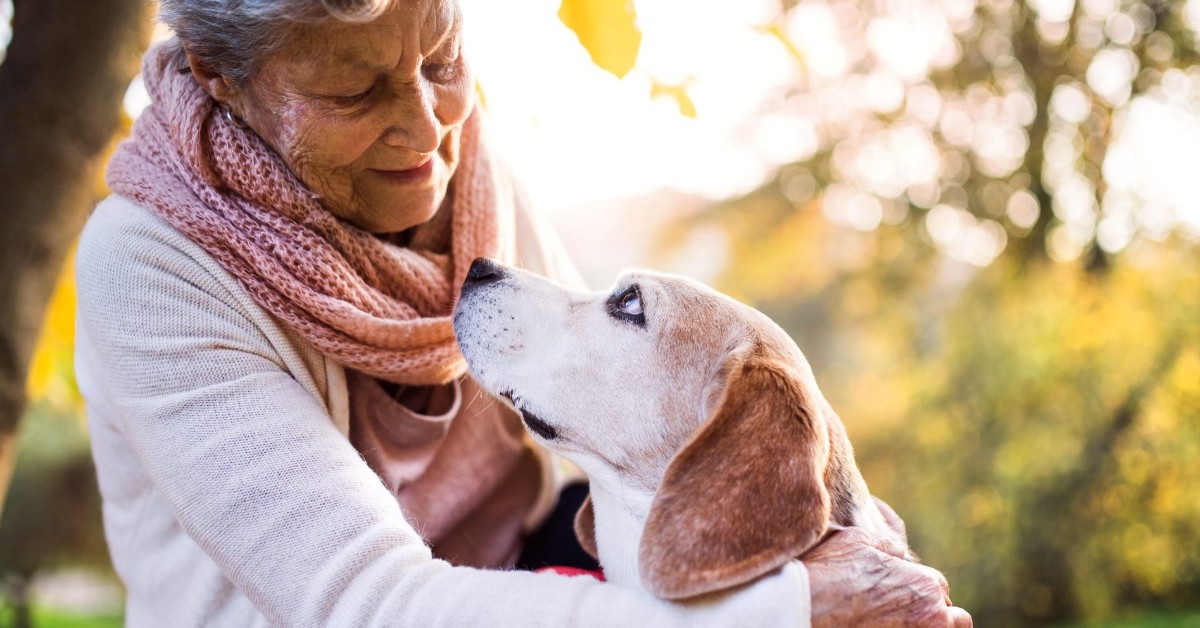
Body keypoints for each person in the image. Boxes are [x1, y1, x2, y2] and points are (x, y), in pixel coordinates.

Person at [74, 0, 972, 625]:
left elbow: (612, 425)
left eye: (441, 60)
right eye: (354, 92)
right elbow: (363, 606)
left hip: (546, 571)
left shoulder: (458, 161)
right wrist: (784, 612)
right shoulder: (148, 266)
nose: (429, 131)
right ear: (219, 77)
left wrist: (844, 537)